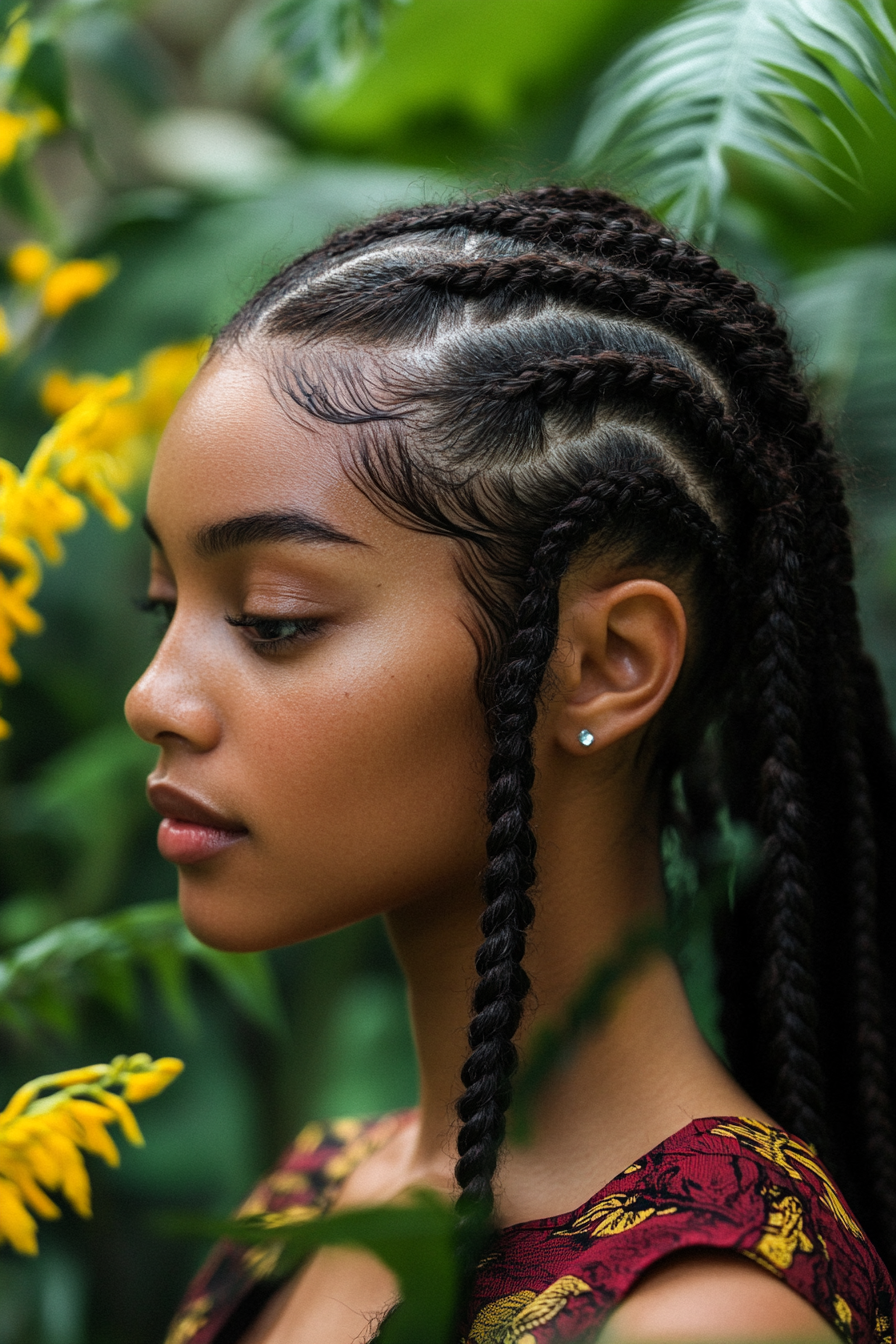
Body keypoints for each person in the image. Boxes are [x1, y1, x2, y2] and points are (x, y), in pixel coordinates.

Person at [126, 187, 896, 1344]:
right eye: (162, 602)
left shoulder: (697, 1317)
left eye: (274, 618)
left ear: (602, 664)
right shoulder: (310, 1199)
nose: (154, 696)